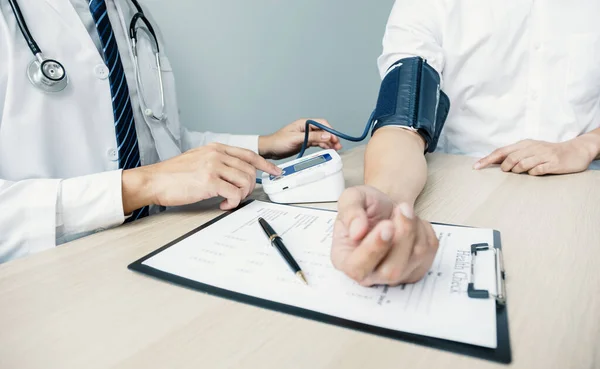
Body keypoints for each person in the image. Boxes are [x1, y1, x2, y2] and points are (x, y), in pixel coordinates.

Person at [0, 0, 341, 263]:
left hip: (157, 246)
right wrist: (138, 186)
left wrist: (263, 145)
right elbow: (157, 176)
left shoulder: (130, 13)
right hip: (55, 274)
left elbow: (163, 148)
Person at [331, 0, 600, 286]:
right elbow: (402, 124)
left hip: (581, 195)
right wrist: (389, 204)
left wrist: (586, 144)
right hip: (463, 194)